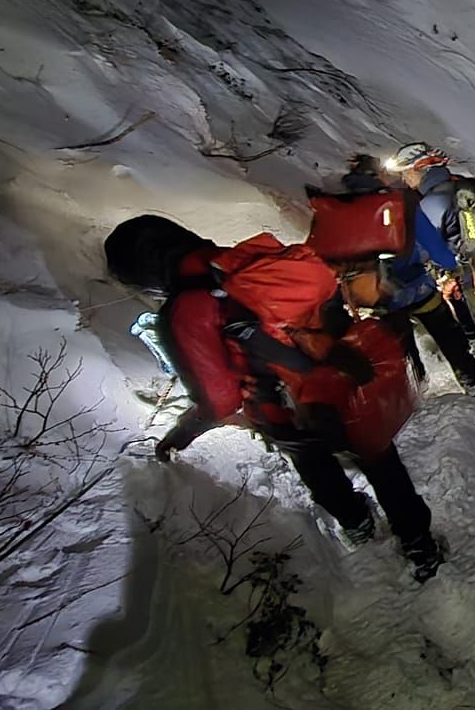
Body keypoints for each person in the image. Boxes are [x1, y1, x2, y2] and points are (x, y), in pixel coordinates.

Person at [104, 215, 442, 582]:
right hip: (344, 378)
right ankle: (419, 544)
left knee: (315, 464)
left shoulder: (186, 310)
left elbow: (219, 399)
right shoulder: (256, 256)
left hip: (288, 411)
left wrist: (183, 432)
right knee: (381, 461)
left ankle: (357, 523)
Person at [338, 155, 475, 393]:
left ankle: (415, 386)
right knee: (447, 331)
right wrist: (451, 265)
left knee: (400, 342)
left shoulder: (342, 207)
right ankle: (469, 380)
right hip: (415, 286)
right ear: (378, 176)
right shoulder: (400, 202)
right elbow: (433, 245)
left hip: (375, 291)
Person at [389, 143, 475, 358]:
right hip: (473, 257)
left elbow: (425, 245)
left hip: (457, 260)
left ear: (420, 169)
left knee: (450, 302)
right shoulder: (455, 185)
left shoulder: (432, 202)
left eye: (406, 173)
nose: (405, 179)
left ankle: (454, 350)